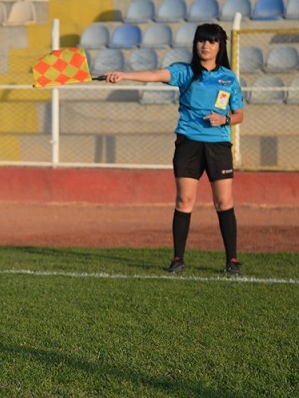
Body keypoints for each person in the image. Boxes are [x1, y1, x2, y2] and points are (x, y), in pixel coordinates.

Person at [102, 23, 245, 275]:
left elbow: (239, 115)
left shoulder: (229, 78)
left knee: (224, 201)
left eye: (211, 41)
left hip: (218, 145)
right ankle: (178, 258)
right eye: (201, 40)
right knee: (184, 200)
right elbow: (155, 74)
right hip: (188, 144)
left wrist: (224, 119)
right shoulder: (184, 71)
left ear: (220, 46)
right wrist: (124, 75)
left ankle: (231, 261)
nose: (205, 46)